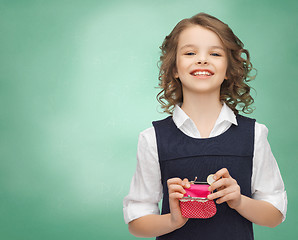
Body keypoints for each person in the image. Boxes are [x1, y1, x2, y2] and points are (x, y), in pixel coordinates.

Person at [123, 12, 287, 240]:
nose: (202, 59)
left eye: (215, 53)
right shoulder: (152, 138)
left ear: (229, 69)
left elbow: (275, 215)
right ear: (174, 68)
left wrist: (239, 200)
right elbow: (136, 223)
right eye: (190, 53)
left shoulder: (254, 134)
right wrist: (172, 220)